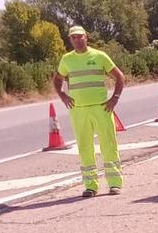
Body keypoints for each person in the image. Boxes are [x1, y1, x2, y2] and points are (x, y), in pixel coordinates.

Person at [53, 26, 125, 197]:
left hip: (101, 107)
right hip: (78, 110)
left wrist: (115, 97)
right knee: (84, 146)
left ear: (86, 37)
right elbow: (57, 78)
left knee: (108, 144)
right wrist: (62, 95)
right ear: (70, 40)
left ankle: (115, 184)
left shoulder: (99, 56)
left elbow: (119, 76)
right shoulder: (67, 59)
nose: (77, 40)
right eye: (73, 38)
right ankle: (90, 186)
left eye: (80, 37)